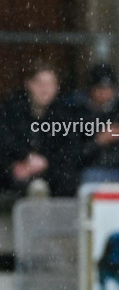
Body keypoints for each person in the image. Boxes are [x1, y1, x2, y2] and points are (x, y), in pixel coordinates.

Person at [0, 61, 81, 197]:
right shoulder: (10, 109)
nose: (44, 89)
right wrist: (25, 159)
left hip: (52, 172)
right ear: (28, 84)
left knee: (67, 179)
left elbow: (71, 149)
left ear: (57, 87)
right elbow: (5, 140)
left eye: (50, 84)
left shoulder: (65, 114)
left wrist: (46, 162)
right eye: (39, 83)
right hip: (15, 168)